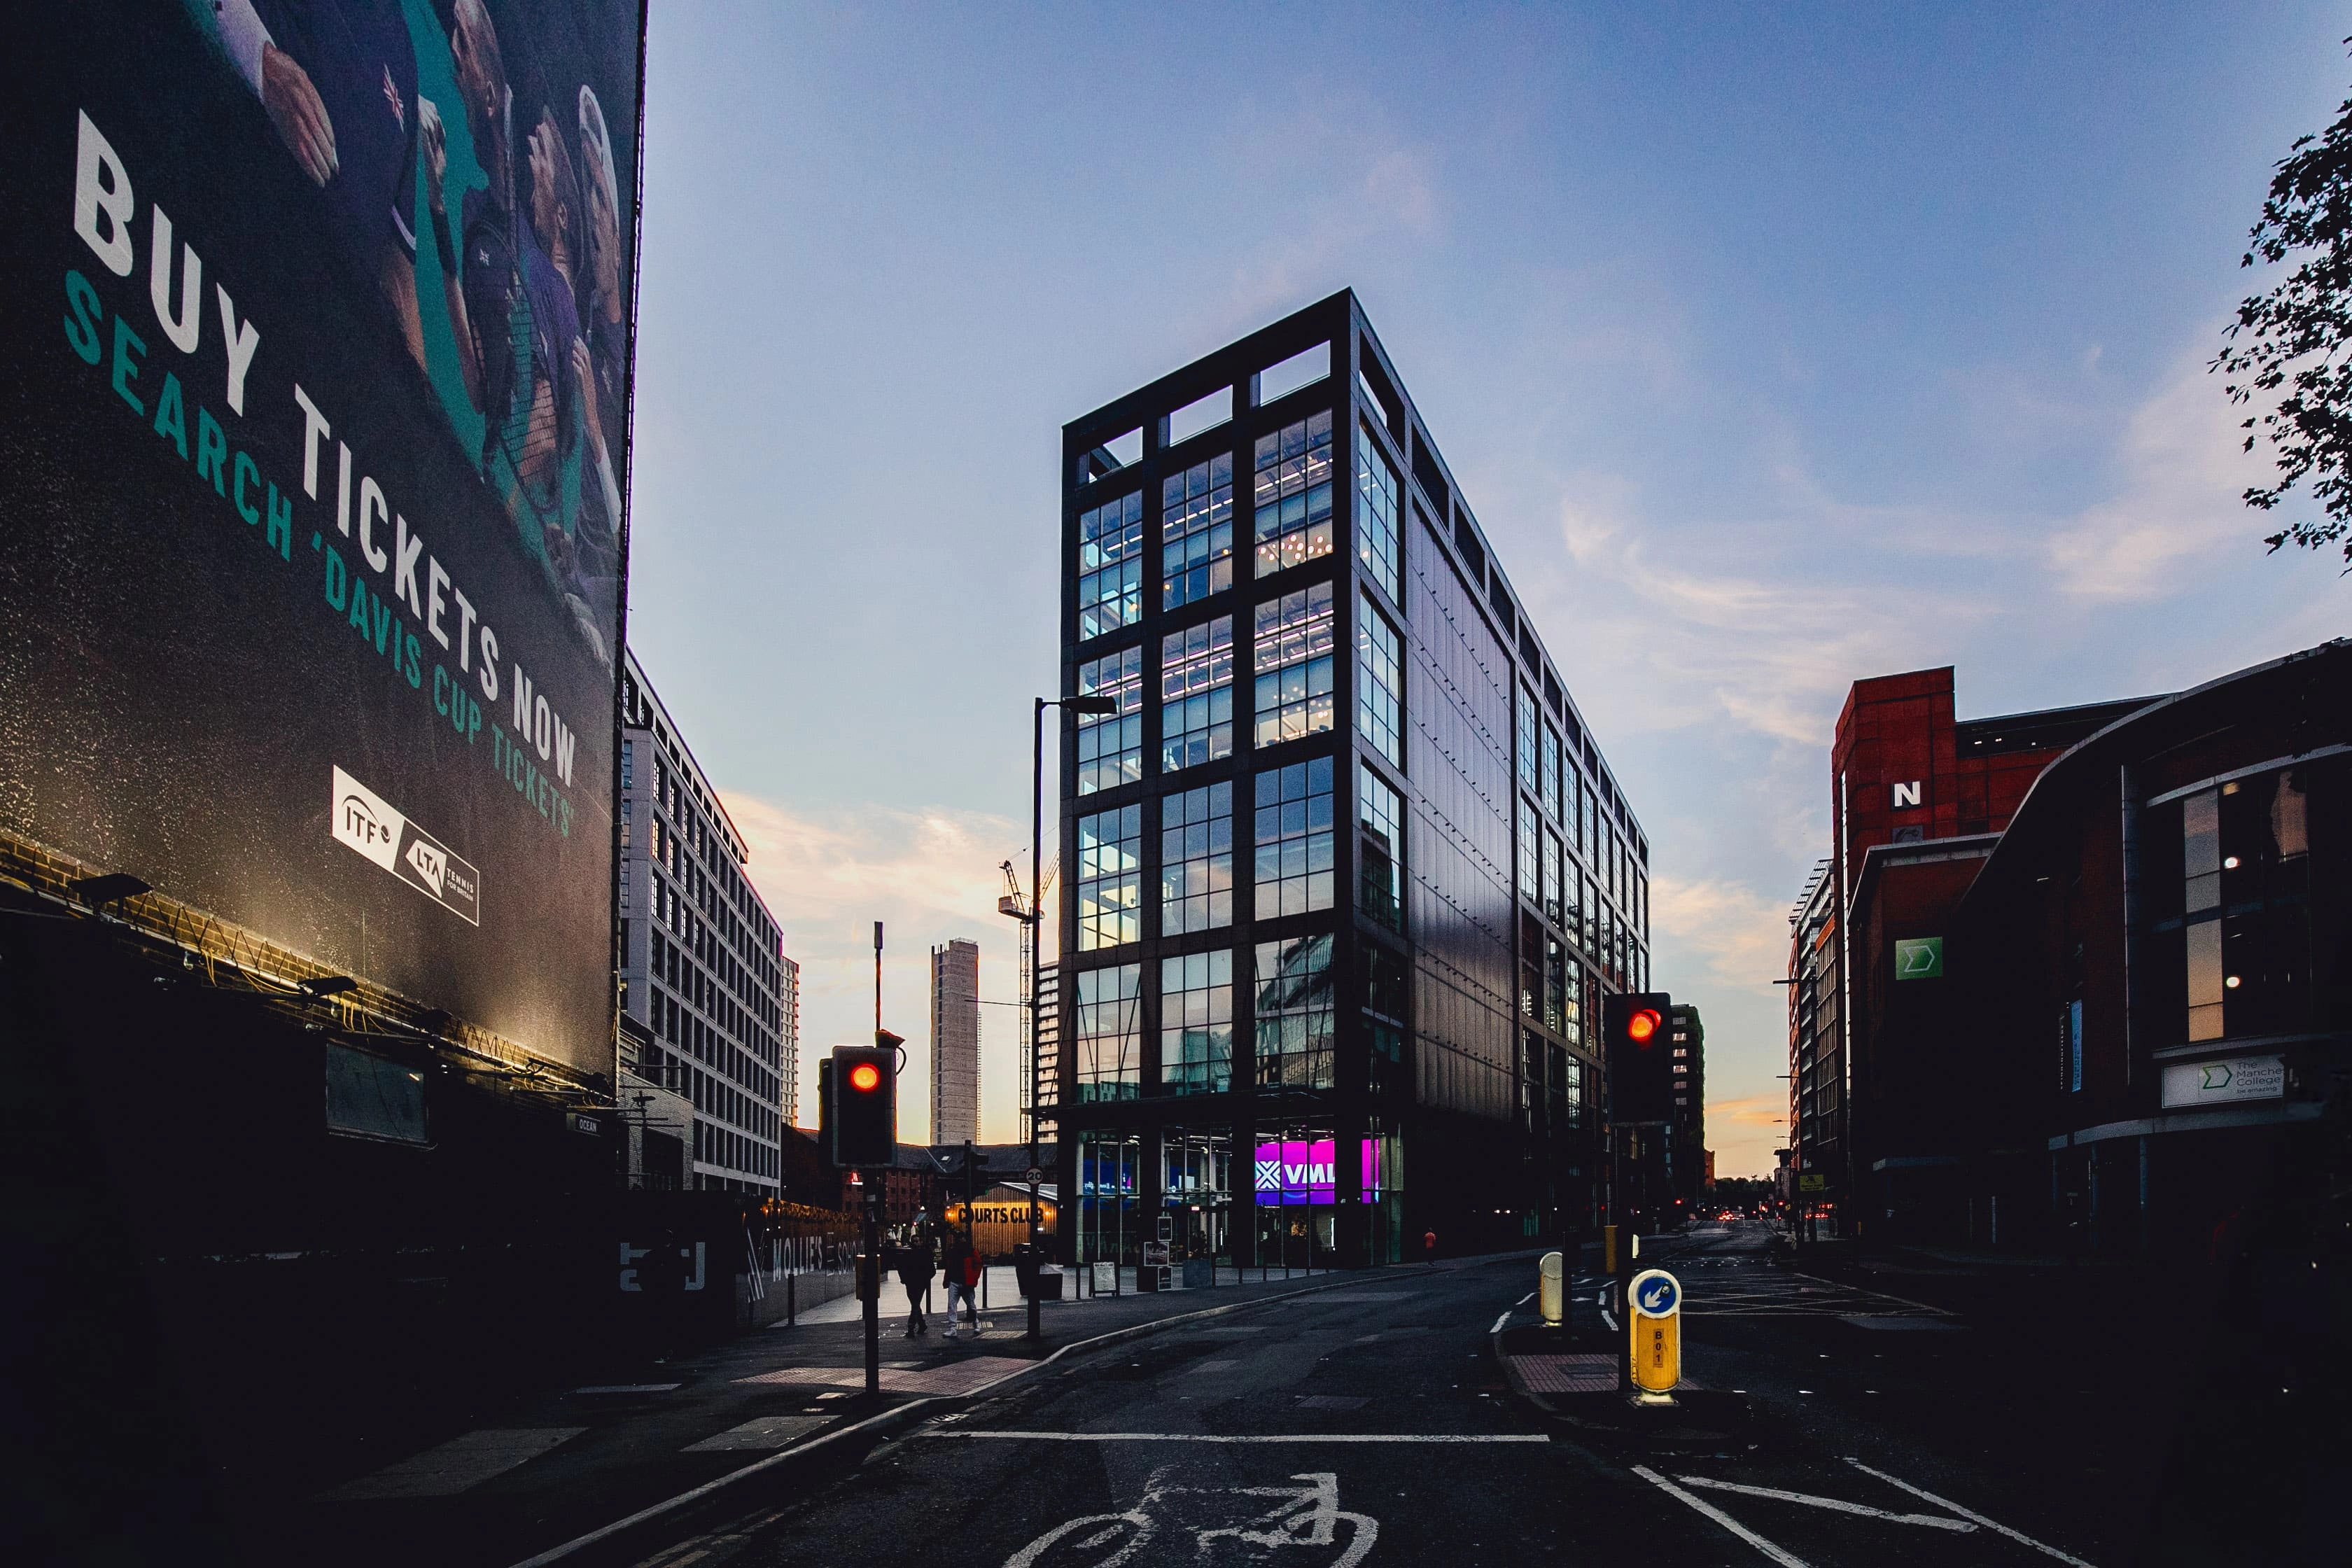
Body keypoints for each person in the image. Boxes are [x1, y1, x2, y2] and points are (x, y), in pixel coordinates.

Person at [897, 1214, 935, 1337]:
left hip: (918, 1282)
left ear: (920, 1241)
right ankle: (922, 1324)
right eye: (914, 1241)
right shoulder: (913, 1253)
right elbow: (901, 1267)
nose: (915, 1242)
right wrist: (904, 1279)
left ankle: (911, 1328)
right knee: (916, 1304)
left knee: (915, 1304)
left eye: (917, 1241)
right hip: (912, 1282)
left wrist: (925, 1278)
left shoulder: (920, 1253)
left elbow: (931, 1269)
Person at [941, 1226, 980, 1339]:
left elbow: (949, 1266)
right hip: (965, 1282)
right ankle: (975, 1324)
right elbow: (978, 1265)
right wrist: (974, 1279)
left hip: (956, 1281)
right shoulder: (971, 1251)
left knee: (954, 1305)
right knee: (969, 1305)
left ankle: (953, 1328)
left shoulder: (953, 1251)